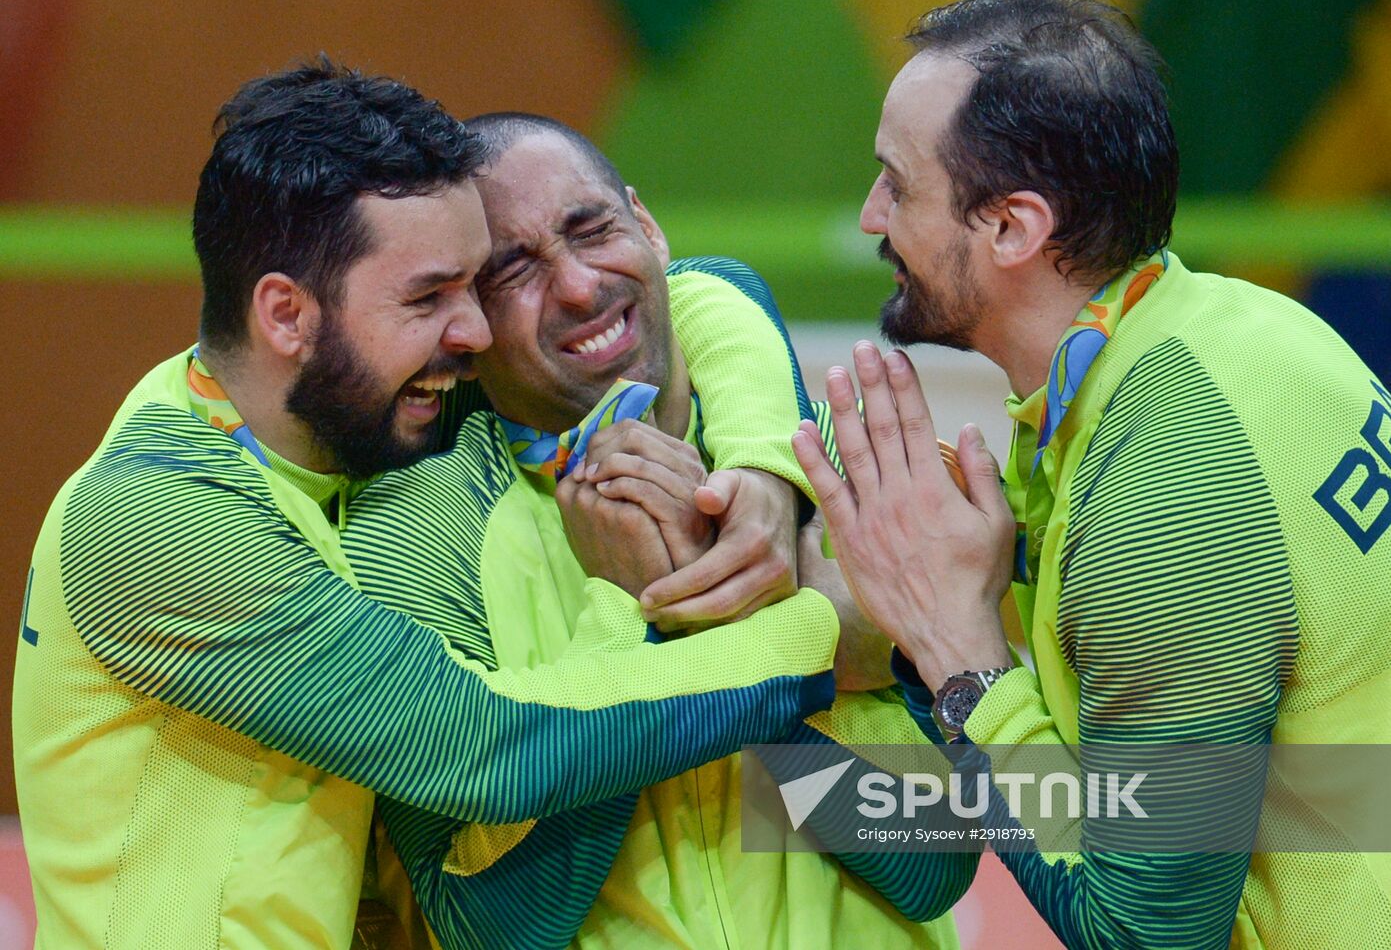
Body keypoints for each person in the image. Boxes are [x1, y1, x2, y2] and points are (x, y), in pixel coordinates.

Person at [12, 60, 852, 950]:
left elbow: (930, 856)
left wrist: (764, 478)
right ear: (287, 317)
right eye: (432, 297)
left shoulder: (332, 424)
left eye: (472, 285)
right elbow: (483, 756)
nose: (476, 332)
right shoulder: (165, 514)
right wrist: (807, 620)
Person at [792, 0, 1391, 950]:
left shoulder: (1165, 488)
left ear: (1010, 228)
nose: (869, 218)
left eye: (898, 185)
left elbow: (1145, 934)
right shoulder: (1236, 334)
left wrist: (956, 652)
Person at [338, 113, 978, 949]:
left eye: (591, 229)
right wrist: (635, 616)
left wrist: (721, 614)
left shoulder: (834, 459)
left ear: (646, 225)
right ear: (466, 319)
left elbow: (936, 862)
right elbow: (489, 921)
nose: (576, 287)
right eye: (513, 271)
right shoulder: (414, 532)